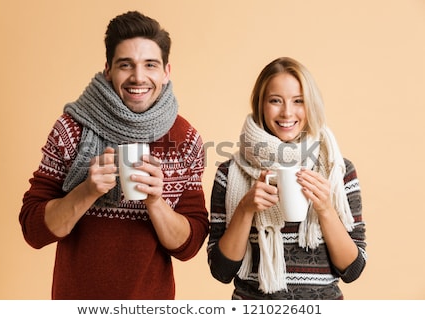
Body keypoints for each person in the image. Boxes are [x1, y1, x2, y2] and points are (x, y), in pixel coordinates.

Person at [19, 11, 209, 300]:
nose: (138, 77)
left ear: (166, 72)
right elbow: (34, 230)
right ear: (108, 69)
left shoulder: (184, 139)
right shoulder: (71, 129)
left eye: (150, 65)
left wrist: (156, 202)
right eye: (125, 65)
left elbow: (190, 244)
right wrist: (87, 190)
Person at [207, 57, 367, 299]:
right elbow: (221, 270)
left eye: (298, 101)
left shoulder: (338, 169)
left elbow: (353, 270)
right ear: (260, 104)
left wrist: (325, 209)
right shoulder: (230, 173)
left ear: (310, 105)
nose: (287, 112)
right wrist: (245, 208)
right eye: (275, 101)